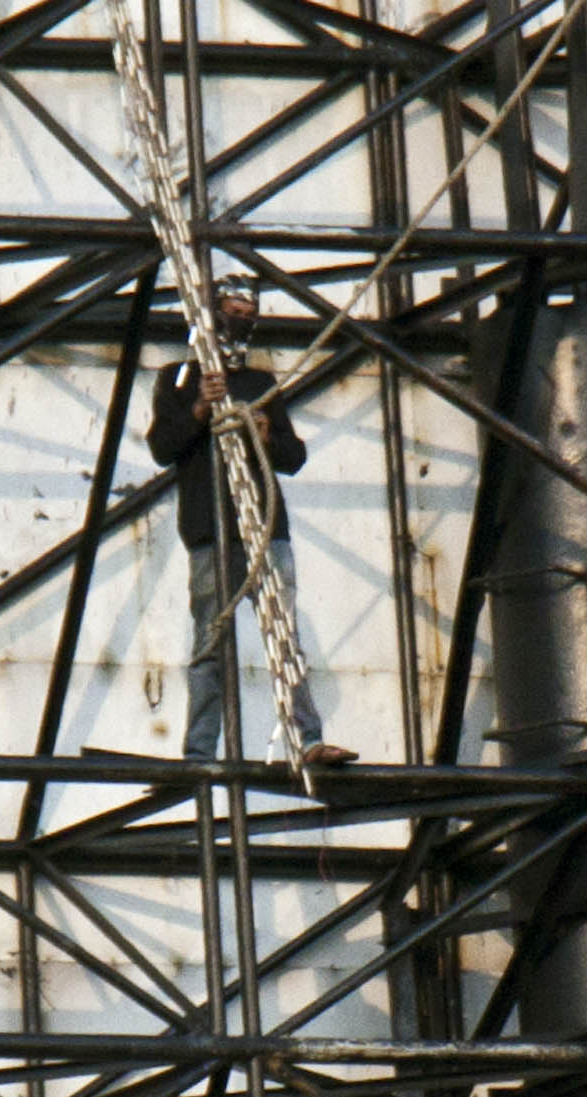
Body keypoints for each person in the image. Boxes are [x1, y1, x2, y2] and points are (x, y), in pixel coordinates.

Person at [147, 282, 351, 770]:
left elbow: (293, 455)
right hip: (209, 529)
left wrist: (265, 433)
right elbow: (162, 446)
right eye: (233, 311)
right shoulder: (178, 378)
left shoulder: (260, 385)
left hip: (264, 529)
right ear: (211, 315)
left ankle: (308, 739)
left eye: (248, 312)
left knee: (284, 639)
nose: (242, 320)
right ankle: (200, 749)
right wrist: (200, 408)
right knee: (211, 644)